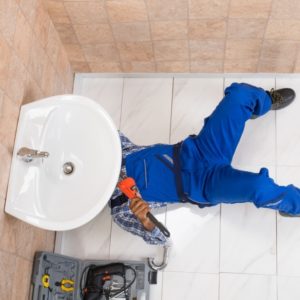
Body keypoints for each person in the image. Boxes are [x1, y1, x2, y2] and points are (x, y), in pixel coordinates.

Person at [109, 82, 297, 246]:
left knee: (239, 95)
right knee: (259, 187)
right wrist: (145, 220)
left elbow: (102, 128)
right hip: (204, 185)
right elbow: (160, 240)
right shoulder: (120, 210)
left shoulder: (116, 149)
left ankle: (262, 102)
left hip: (200, 150)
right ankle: (295, 206)